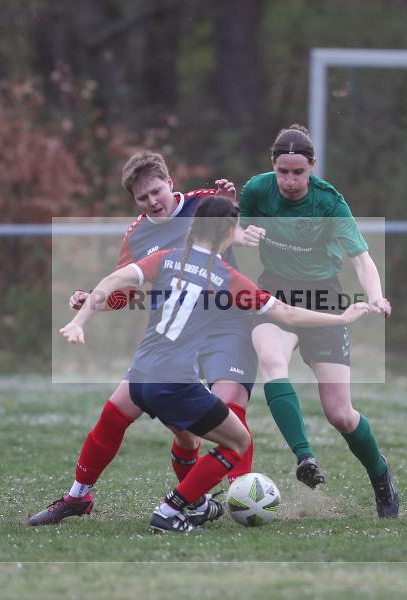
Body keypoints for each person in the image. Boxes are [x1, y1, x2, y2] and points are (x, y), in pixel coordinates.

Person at [59, 196, 378, 532]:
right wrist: (340, 317)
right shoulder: (227, 277)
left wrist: (80, 321)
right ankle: (172, 509)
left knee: (175, 435)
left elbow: (111, 283)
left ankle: (172, 504)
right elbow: (287, 313)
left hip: (140, 375)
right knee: (237, 442)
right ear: (227, 231)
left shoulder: (164, 259)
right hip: (176, 382)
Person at [28, 151, 258, 526]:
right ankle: (78, 497)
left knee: (228, 410)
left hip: (225, 326)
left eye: (156, 192)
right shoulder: (137, 234)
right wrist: (94, 300)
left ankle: (240, 497)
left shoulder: (204, 202)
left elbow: (241, 228)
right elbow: (124, 293)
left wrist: (235, 207)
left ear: (170, 183)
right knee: (122, 415)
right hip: (171, 338)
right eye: (142, 198)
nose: (152, 202)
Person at [237, 124, 399, 518]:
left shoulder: (329, 203)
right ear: (272, 167)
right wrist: (242, 233)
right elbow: (233, 232)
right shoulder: (257, 190)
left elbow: (361, 258)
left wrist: (375, 295)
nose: (290, 180)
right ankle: (304, 457)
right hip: (274, 293)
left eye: (298, 172)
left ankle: (380, 474)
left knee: (340, 414)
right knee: (273, 361)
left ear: (313, 167)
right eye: (283, 172)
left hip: (324, 299)